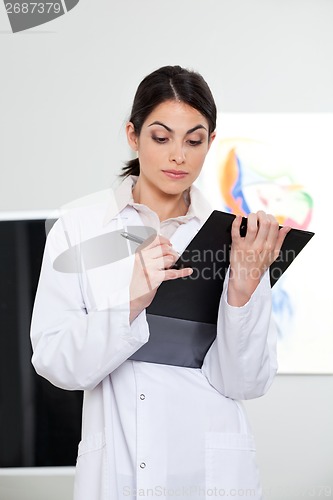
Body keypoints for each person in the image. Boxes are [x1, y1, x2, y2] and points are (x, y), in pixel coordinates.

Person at [30, 65, 289, 500]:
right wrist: (131, 302)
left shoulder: (235, 239)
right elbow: (55, 361)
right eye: (161, 136)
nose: (178, 156)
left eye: (194, 140)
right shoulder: (80, 228)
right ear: (133, 135)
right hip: (119, 470)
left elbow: (247, 383)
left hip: (213, 473)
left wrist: (242, 291)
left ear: (210, 142)